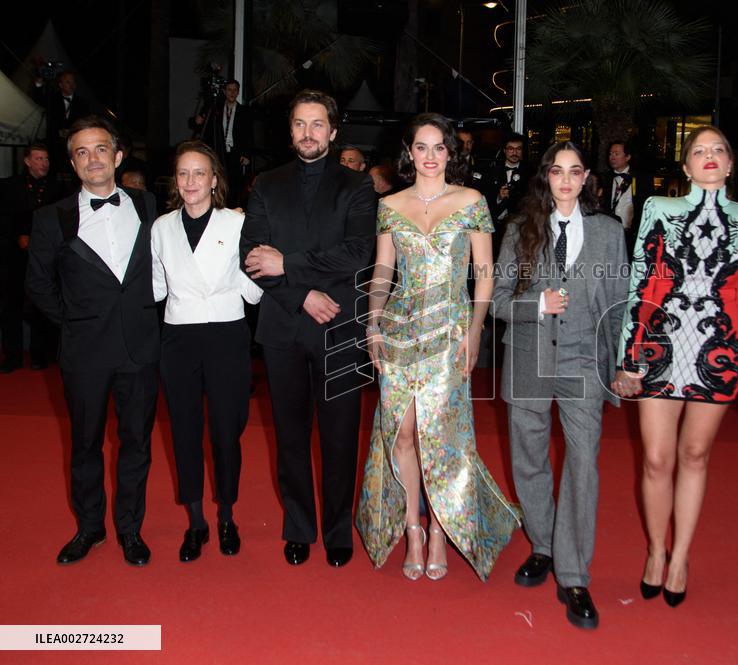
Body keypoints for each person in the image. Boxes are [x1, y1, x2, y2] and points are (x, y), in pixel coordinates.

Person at [356, 113, 519, 582]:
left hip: (449, 329)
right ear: (409, 153)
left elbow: (484, 273)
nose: (430, 156)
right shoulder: (389, 205)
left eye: (439, 147)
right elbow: (383, 270)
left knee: (442, 437)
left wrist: (475, 330)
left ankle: (444, 530)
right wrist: (373, 323)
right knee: (402, 432)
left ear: (451, 153)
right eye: (421, 147)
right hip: (401, 328)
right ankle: (414, 528)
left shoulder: (471, 201)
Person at [615, 126, 738, 608]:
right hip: (661, 343)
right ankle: (656, 552)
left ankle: (681, 556)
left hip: (720, 350)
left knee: (696, 455)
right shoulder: (659, 209)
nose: (709, 156)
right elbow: (643, 281)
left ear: (730, 164)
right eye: (698, 151)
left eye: (718, 149)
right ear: (685, 167)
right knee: (657, 458)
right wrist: (629, 356)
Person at [493, 141, 629, 629]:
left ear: (587, 176)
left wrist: (619, 365)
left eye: (575, 171)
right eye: (557, 171)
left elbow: (618, 305)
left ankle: (574, 574)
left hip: (583, 361)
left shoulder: (609, 234)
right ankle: (544, 545)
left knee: (583, 463)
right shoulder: (519, 230)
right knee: (528, 460)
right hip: (529, 357)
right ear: (545, 177)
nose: (566, 180)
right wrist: (537, 306)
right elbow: (497, 302)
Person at [240, 89, 376, 568]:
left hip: (338, 327)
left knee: (340, 439)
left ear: (333, 132)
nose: (308, 133)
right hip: (283, 328)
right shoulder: (267, 184)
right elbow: (252, 258)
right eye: (300, 124)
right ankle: (298, 526)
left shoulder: (357, 186)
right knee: (291, 438)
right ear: (290, 130)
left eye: (317, 124)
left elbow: (358, 252)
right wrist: (301, 293)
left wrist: (289, 263)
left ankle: (339, 529)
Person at [26, 116, 160, 566]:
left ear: (118, 156)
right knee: (84, 444)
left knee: (136, 443)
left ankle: (130, 529)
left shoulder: (147, 204)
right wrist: (75, 321)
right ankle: (89, 527)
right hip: (84, 351)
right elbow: (38, 284)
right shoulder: (51, 217)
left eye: (100, 149)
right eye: (81, 152)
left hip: (140, 348)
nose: (92, 159)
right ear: (72, 163)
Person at [151, 140, 263, 562]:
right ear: (175, 181)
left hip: (226, 333)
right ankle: (196, 520)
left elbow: (252, 291)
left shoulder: (236, 223)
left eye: (200, 173)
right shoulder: (160, 228)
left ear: (214, 180)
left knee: (225, 430)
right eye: (184, 173)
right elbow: (157, 289)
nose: (191, 181)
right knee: (183, 430)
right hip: (178, 336)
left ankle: (227, 515)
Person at [0, 143, 64, 372]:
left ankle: (41, 355)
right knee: (11, 307)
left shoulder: (58, 188)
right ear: (27, 161)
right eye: (38, 159)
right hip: (13, 257)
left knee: (43, 305)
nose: (44, 163)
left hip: (46, 257)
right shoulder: (9, 186)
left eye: (46, 159)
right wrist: (18, 236)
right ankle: (12, 356)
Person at [194, 80, 252, 208]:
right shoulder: (216, 110)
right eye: (229, 90)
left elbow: (248, 135)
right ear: (224, 92)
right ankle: (216, 207)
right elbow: (206, 130)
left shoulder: (244, 111)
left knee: (234, 185)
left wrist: (246, 154)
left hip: (235, 154)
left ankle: (231, 208)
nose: (232, 93)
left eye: (235, 90)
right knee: (217, 181)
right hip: (218, 152)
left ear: (238, 92)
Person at [601, 140, 653, 249]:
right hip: (609, 233)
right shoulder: (605, 178)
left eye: (616, 154)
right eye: (610, 154)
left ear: (627, 157)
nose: (612, 157)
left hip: (632, 236)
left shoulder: (641, 179)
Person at [485, 133, 530, 252]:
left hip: (521, 228)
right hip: (496, 228)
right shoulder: (491, 171)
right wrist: (499, 197)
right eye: (510, 149)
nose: (514, 152)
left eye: (518, 149)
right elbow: (485, 200)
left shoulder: (531, 173)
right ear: (504, 151)